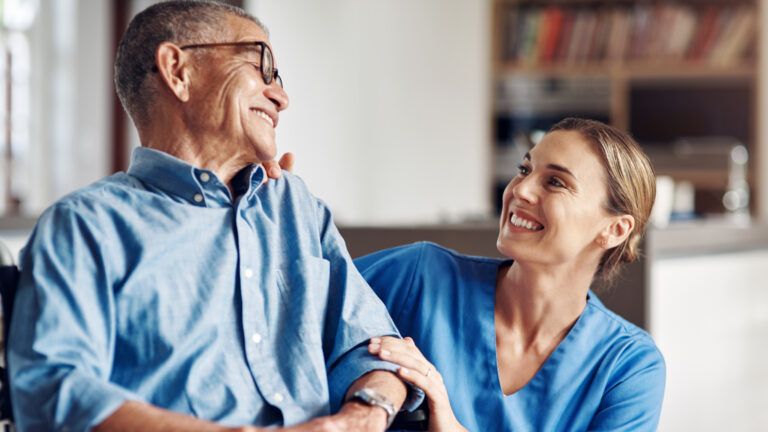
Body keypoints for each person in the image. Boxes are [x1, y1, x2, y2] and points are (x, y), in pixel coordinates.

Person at [7, 1, 420, 431]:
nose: (281, 95)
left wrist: (362, 414)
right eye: (261, 65)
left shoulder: (297, 211)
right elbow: (52, 390)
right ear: (178, 71)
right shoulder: (86, 226)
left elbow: (375, 350)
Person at [355, 118, 666, 431]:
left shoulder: (628, 365)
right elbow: (311, 298)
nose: (521, 189)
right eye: (525, 170)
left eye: (556, 182)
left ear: (614, 229)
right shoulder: (417, 276)